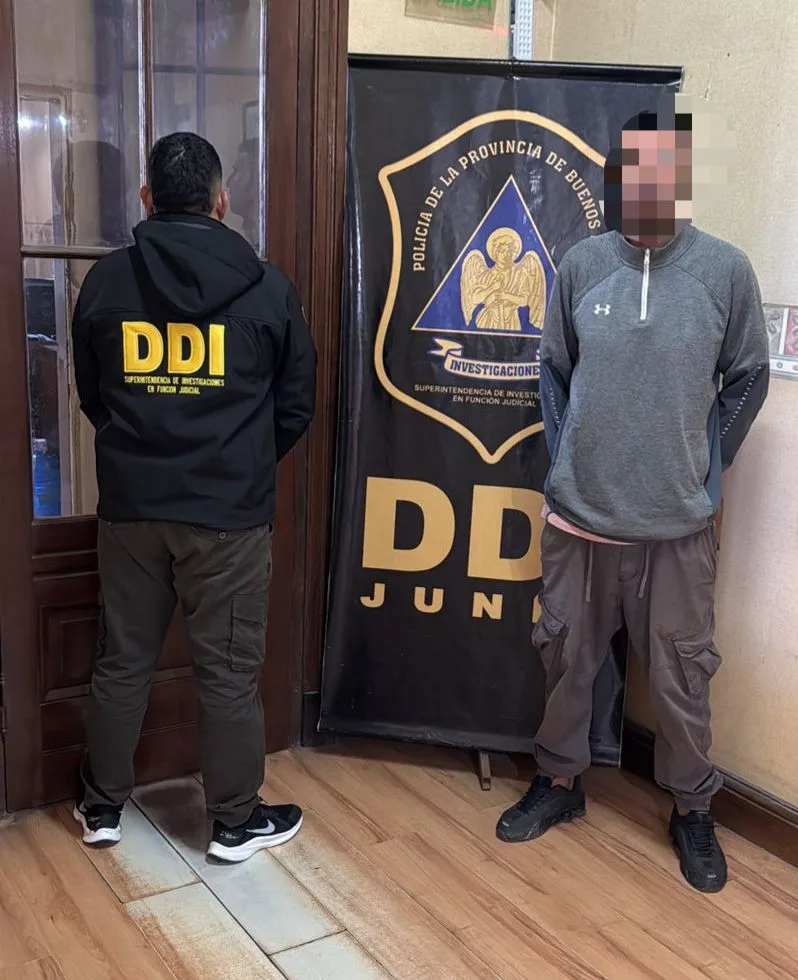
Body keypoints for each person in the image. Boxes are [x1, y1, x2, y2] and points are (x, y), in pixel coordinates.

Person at [496, 104, 769, 893]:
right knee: (565, 660)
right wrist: (566, 461)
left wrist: (708, 470)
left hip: (676, 532)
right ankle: (558, 782)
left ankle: (692, 809)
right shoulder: (581, 265)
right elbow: (553, 370)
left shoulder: (725, 272)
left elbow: (749, 377)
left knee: (683, 679)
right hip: (580, 523)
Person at [71, 132, 317, 863]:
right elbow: (295, 406)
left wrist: (141, 455)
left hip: (132, 511)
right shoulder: (268, 289)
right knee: (229, 673)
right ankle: (234, 823)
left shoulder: (106, 284)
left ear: (147, 199)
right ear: (222, 201)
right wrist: (238, 464)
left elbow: (93, 394)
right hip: (227, 520)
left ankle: (101, 807)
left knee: (122, 661)